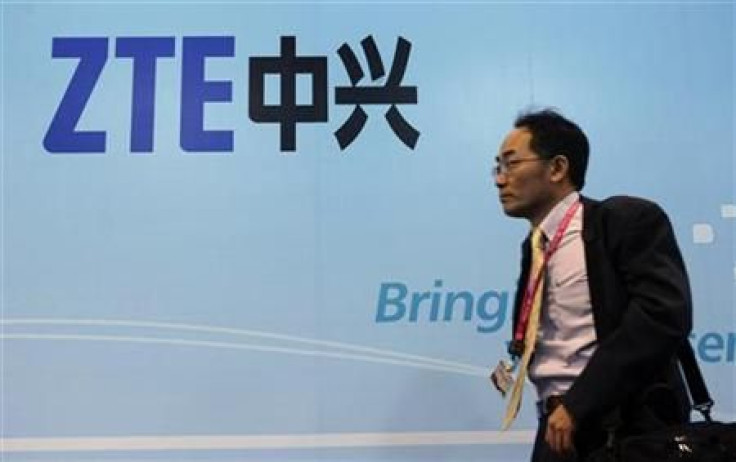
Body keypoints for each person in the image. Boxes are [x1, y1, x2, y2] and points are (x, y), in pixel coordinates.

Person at [494, 108, 693, 461]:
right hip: (556, 431)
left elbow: (662, 317)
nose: (499, 179)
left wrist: (580, 403)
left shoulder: (624, 221)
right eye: (497, 167)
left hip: (624, 428)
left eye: (511, 164)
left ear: (557, 168)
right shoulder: (535, 245)